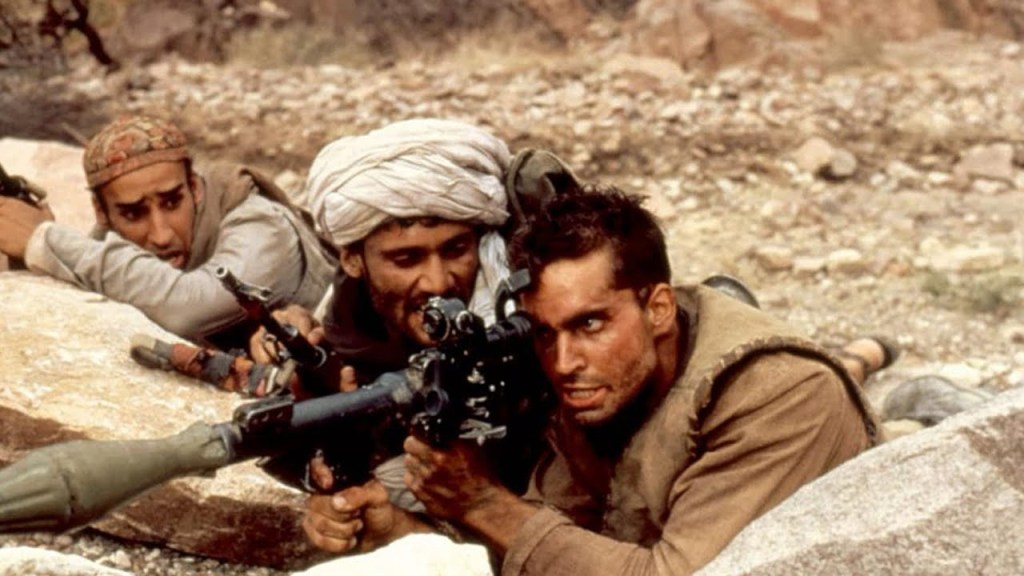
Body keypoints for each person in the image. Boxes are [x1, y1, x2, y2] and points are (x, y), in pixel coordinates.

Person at [307, 186, 884, 574]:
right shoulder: (596, 387)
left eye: (590, 324)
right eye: (544, 332)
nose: (563, 361)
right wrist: (399, 530)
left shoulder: (777, 394)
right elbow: (551, 546)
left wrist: (483, 501)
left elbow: (672, 574)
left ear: (657, 307)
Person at [0, 114, 335, 349]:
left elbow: (187, 305)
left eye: (173, 203)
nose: (160, 235)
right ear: (102, 214)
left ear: (195, 188)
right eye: (133, 214)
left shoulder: (262, 225)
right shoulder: (106, 234)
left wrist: (44, 240)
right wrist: (33, 252)